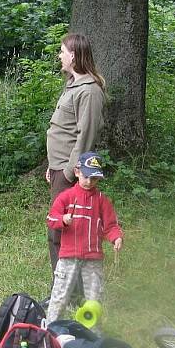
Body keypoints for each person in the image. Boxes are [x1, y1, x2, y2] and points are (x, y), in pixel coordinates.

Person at [45, 33, 106, 282]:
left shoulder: (89, 91)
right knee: (59, 228)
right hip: (58, 168)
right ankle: (64, 288)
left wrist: (70, 172)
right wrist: (52, 166)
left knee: (61, 231)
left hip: (69, 171)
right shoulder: (73, 85)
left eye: (62, 51)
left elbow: (85, 136)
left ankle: (67, 291)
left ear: (73, 55)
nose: (59, 56)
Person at [45, 151, 122, 323]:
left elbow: (111, 226)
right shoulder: (66, 196)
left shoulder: (102, 200)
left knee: (94, 298)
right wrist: (63, 220)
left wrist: (116, 237)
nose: (89, 182)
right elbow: (51, 219)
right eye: (86, 176)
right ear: (77, 171)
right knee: (60, 296)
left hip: (93, 258)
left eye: (94, 179)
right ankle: (51, 329)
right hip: (68, 257)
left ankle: (93, 333)